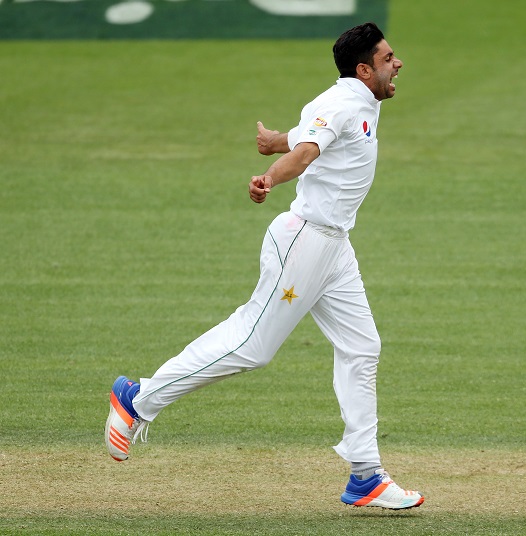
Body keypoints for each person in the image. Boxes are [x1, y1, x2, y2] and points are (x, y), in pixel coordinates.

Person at [104, 22, 424, 510]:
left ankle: (366, 474)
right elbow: (307, 152)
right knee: (253, 346)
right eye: (388, 58)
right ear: (364, 70)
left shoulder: (359, 104)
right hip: (304, 243)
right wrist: (271, 176)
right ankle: (139, 397)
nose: (397, 63)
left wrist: (274, 141)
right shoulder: (339, 103)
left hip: (335, 249)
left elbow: (308, 138)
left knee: (363, 348)